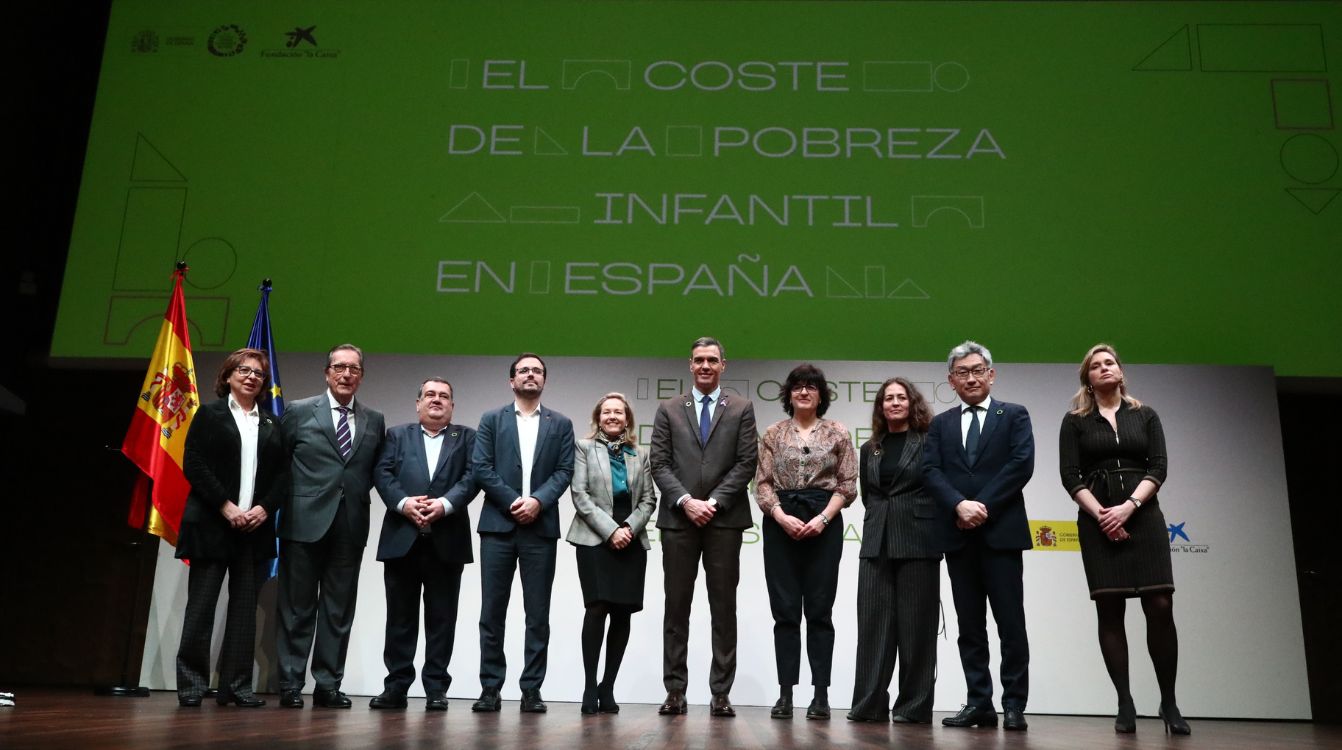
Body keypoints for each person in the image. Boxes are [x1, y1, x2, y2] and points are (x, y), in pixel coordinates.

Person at [1059, 344, 1189, 735]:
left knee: (1160, 604)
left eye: (1109, 363)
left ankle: (1169, 702)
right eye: (1095, 366)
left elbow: (1159, 466)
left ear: (1120, 371)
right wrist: (1102, 514)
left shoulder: (1145, 415)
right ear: (1088, 378)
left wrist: (1128, 507)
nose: (1104, 369)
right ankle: (1125, 702)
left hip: (1143, 515)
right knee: (1110, 611)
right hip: (1097, 519)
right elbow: (1070, 476)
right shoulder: (1075, 421)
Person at [923, 340, 1034, 731]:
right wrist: (959, 505)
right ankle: (979, 703)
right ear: (950, 381)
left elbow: (1021, 465)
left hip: (1000, 533)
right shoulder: (941, 424)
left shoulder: (1014, 415)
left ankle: (1014, 704)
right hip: (957, 535)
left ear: (991, 374)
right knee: (970, 626)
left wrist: (980, 506)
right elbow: (931, 471)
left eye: (977, 370)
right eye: (961, 373)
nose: (970, 378)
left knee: (1010, 623)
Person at [650, 336, 758, 717]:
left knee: (723, 608)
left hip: (723, 520)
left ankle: (720, 693)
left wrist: (711, 503)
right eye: (699, 360)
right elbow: (659, 463)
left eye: (712, 360)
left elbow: (747, 463)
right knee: (676, 608)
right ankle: (675, 691)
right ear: (690, 365)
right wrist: (686, 501)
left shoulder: (742, 408)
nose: (705, 366)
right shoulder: (669, 409)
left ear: (723, 365)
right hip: (679, 520)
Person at [276, 344, 386, 709]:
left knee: (338, 610)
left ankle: (327, 685)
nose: (346, 374)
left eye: (354, 369)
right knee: (297, 607)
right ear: (327, 373)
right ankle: (290, 683)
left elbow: (370, 471)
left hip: (350, 525)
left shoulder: (375, 419)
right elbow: (279, 464)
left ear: (362, 376)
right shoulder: (299, 410)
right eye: (339, 367)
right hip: (304, 522)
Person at [176, 349, 287, 708]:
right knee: (201, 609)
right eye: (244, 370)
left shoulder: (272, 424)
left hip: (254, 530)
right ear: (227, 376)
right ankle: (192, 686)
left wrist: (264, 509)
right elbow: (193, 463)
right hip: (211, 526)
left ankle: (237, 687)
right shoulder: (209, 414)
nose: (252, 377)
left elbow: (282, 475)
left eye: (258, 373)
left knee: (243, 614)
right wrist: (226, 506)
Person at [471, 353, 575, 714]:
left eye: (537, 371)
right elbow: (481, 467)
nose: (530, 375)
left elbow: (564, 471)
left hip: (540, 528)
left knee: (537, 615)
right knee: (492, 612)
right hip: (499, 527)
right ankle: (490, 688)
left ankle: (532, 689)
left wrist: (538, 502)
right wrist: (515, 501)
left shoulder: (560, 423)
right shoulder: (490, 419)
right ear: (511, 381)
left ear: (544, 380)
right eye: (523, 370)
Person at [754, 364, 857, 720]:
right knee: (784, 611)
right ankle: (785, 694)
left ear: (821, 394)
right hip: (781, 521)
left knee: (819, 610)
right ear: (788, 394)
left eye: (811, 386)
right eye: (797, 386)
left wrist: (824, 519)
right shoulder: (772, 433)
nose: (803, 392)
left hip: (824, 520)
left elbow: (847, 484)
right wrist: (780, 516)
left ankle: (821, 695)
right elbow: (763, 483)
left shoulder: (838, 432)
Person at [369, 378, 479, 711]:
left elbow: (473, 477)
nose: (436, 400)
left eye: (444, 396)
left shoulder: (467, 437)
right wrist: (405, 504)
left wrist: (443, 505)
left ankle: (436, 689)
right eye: (430, 395)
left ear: (452, 406)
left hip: (447, 540)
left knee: (442, 619)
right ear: (418, 404)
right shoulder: (397, 435)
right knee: (399, 618)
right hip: (402, 539)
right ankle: (396, 687)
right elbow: (382, 473)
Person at [848, 377, 941, 724]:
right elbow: (870, 495)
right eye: (888, 398)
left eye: (901, 397)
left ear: (912, 403)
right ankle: (868, 705)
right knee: (872, 627)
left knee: (917, 629)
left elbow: (938, 488)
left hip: (918, 540)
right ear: (881, 406)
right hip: (876, 543)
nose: (895, 403)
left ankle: (913, 708)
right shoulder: (870, 447)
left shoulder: (930, 442)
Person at [565, 392, 658, 715]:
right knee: (597, 608)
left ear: (628, 418)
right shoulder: (583, 447)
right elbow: (580, 493)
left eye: (619, 412)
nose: (613, 416)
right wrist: (611, 531)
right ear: (598, 417)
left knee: (622, 614)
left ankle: (608, 686)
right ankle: (590, 686)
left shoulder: (640, 453)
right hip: (594, 539)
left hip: (631, 541)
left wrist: (629, 529)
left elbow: (649, 499)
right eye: (607, 412)